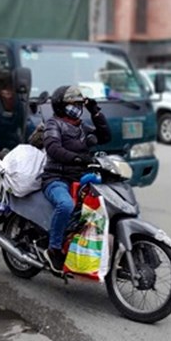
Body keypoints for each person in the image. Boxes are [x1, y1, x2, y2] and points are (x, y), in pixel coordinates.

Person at [40, 85, 111, 273]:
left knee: (107, 201)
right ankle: (54, 249)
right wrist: (78, 158)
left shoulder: (81, 127)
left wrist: (95, 112)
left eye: (80, 104)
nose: (78, 107)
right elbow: (53, 148)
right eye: (73, 104)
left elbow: (105, 137)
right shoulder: (53, 124)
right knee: (66, 205)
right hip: (57, 178)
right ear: (60, 105)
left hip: (81, 177)